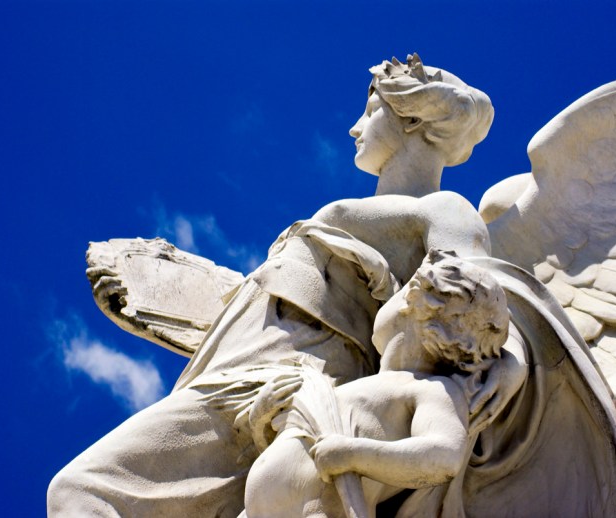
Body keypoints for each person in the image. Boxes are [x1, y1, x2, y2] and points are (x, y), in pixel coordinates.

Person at [47, 54, 514, 517]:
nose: (356, 128)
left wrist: (508, 363)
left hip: (293, 380)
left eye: (371, 112)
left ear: (410, 117)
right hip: (237, 367)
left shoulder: (445, 210)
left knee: (82, 492)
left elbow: (479, 300)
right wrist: (157, 295)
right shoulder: (368, 210)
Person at [243, 250, 510, 518]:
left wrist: (353, 455)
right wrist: (260, 422)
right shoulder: (356, 387)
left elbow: (444, 455)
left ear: (420, 308)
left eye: (400, 292)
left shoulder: (432, 389)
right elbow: (301, 449)